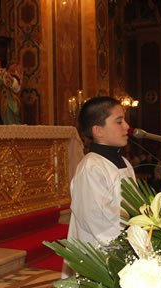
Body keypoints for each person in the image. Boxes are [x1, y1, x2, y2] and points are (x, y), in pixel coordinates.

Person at [64, 97, 135, 276]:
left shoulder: (124, 162)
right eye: (119, 121)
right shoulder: (91, 167)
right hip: (99, 256)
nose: (127, 126)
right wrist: (133, 232)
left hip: (128, 246)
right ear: (98, 130)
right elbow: (97, 219)